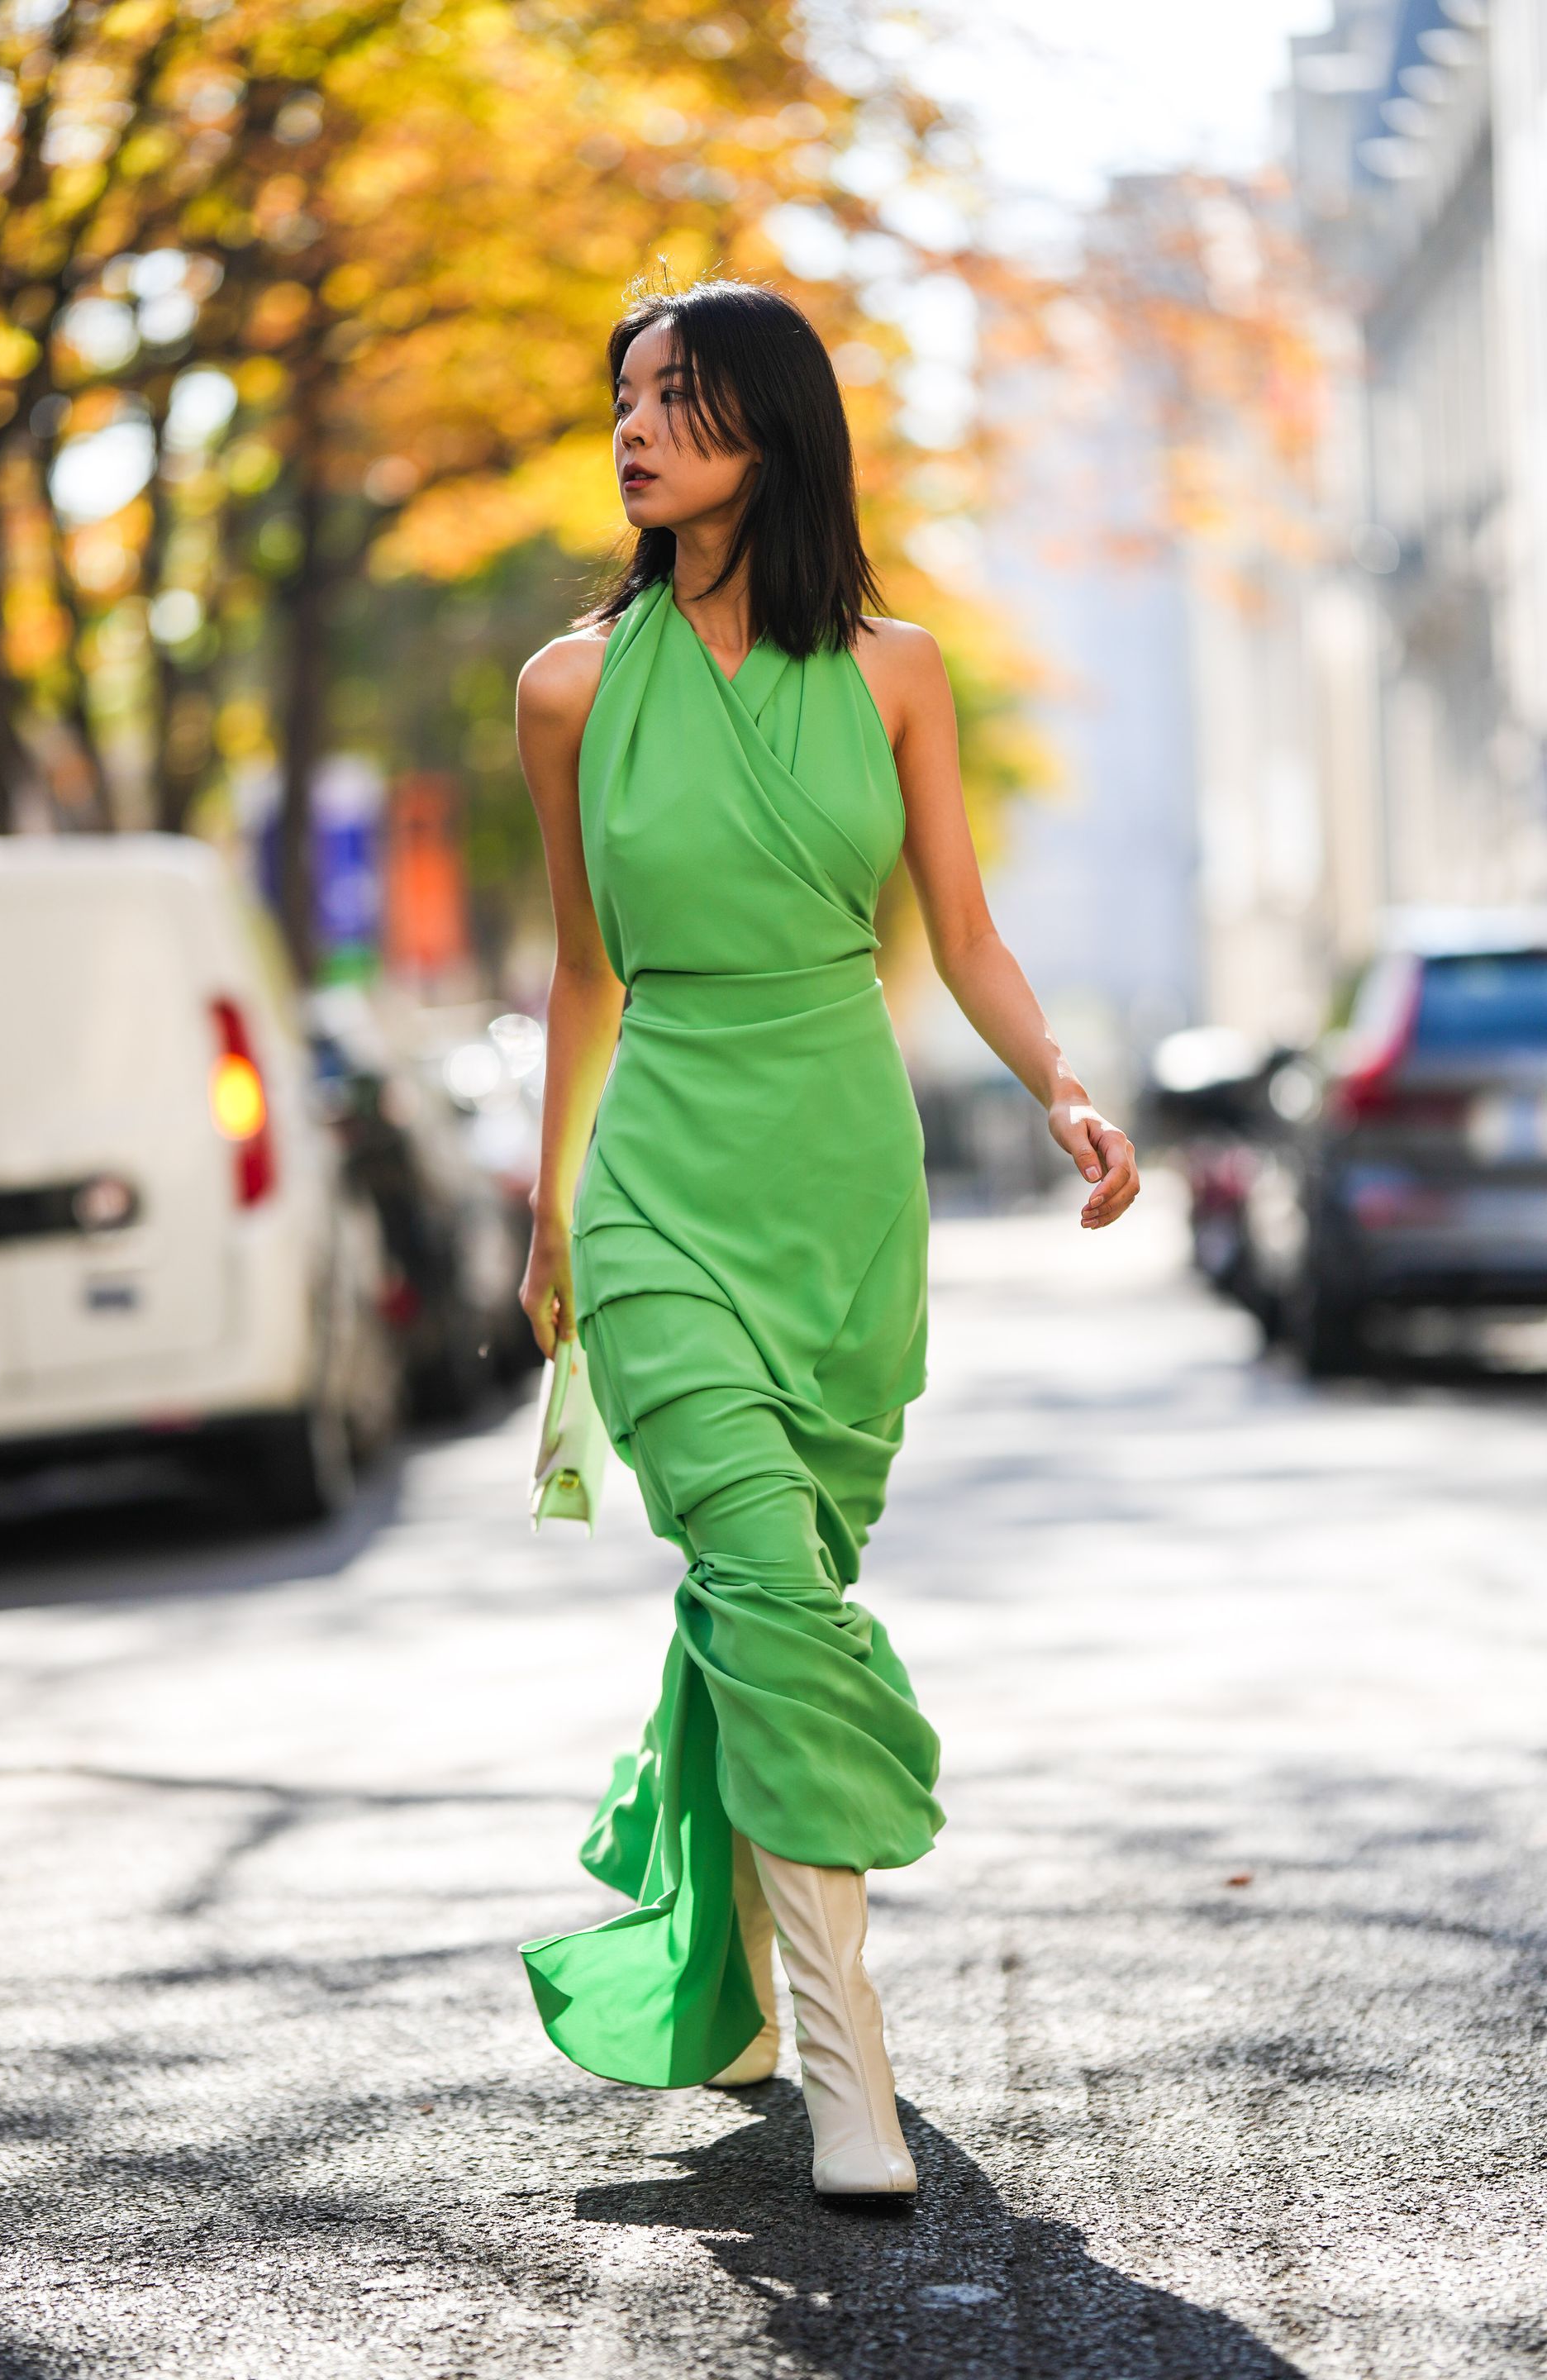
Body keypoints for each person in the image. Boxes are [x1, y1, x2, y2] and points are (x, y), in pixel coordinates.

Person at [514, 278, 1140, 2199]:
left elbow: (961, 929)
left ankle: (751, 1965)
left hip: (844, 1179)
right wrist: (550, 1215)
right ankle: (848, 2071)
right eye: (623, 396)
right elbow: (578, 969)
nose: (634, 428)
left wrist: (1059, 1083)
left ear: (770, 432)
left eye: (676, 397)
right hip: (659, 1185)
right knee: (771, 1582)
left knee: (773, 1571)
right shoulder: (565, 687)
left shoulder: (897, 672)